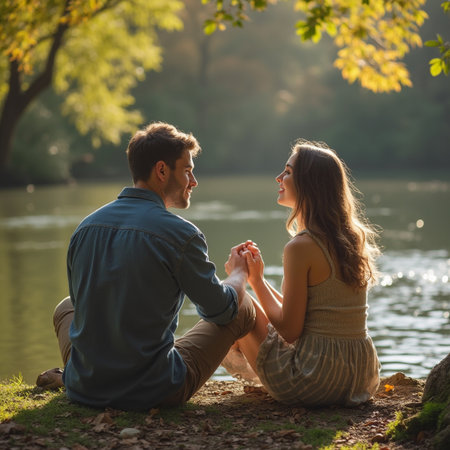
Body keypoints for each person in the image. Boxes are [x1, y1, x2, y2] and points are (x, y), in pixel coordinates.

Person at [37, 122, 255, 410]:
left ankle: (83, 376)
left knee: (66, 306)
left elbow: (82, 305)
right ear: (162, 171)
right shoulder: (182, 234)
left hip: (84, 389)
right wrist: (239, 274)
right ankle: (263, 382)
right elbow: (220, 310)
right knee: (242, 307)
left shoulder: (85, 227)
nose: (194, 181)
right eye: (187, 170)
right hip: (154, 390)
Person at [223, 139, 381, 407]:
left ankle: (183, 373)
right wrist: (254, 279)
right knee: (243, 297)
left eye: (288, 171)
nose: (279, 177)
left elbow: (290, 330)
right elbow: (309, 314)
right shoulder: (352, 238)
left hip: (316, 379)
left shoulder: (301, 246)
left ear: (310, 183)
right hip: (360, 376)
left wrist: (253, 283)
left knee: (235, 302)